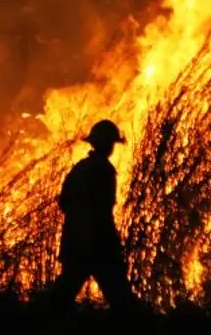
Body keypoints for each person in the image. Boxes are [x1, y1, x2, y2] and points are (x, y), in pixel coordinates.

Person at [47, 119, 139, 313]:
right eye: (112, 143)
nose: (112, 148)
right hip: (98, 246)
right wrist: (109, 242)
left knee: (61, 296)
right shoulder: (104, 171)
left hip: (75, 243)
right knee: (122, 300)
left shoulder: (79, 168)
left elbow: (64, 202)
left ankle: (35, 323)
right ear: (107, 144)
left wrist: (77, 226)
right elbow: (103, 211)